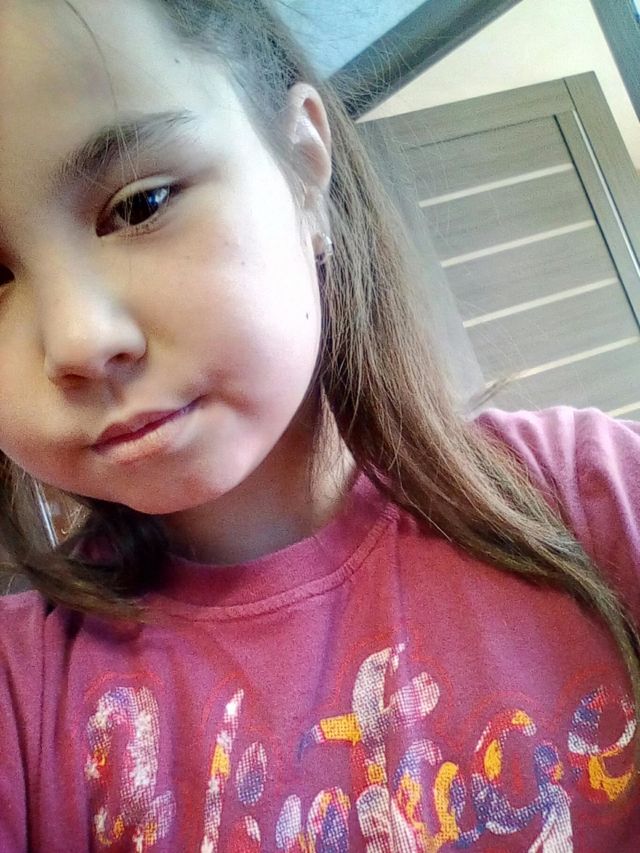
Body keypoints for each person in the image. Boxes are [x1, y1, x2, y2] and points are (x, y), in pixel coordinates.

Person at [0, 0, 638, 849]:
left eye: (140, 204)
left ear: (303, 163)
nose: (79, 341)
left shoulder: (591, 492)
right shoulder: (23, 693)